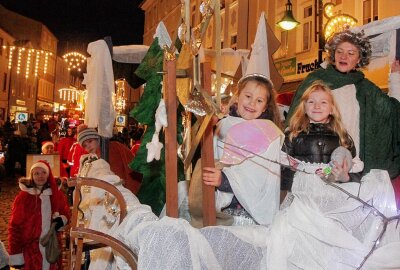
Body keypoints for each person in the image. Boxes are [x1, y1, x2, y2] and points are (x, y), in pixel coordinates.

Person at [286, 30, 400, 181]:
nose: (343, 56)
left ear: (359, 59)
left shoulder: (365, 88)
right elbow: (296, 116)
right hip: (312, 157)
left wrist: (395, 77)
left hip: (349, 163)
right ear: (333, 55)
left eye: (351, 53)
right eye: (339, 51)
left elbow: (391, 111)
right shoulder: (315, 81)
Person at [201, 74, 283, 226]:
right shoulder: (223, 126)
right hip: (223, 210)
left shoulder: (268, 133)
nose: (252, 103)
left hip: (249, 214)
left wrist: (224, 180)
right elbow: (214, 158)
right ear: (237, 97)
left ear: (265, 107)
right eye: (248, 96)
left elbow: (260, 177)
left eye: (259, 100)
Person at [281, 81, 363, 197]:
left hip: (333, 198)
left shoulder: (343, 137)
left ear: (331, 109)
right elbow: (281, 170)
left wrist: (346, 178)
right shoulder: (292, 135)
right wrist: (302, 179)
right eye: (311, 101)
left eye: (323, 102)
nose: (317, 106)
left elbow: (357, 170)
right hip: (302, 200)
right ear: (304, 107)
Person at [8, 161, 70, 269]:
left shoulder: (56, 194)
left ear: (48, 174)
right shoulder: (23, 197)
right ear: (31, 176)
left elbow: (66, 212)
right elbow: (15, 226)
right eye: (36, 173)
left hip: (51, 247)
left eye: (43, 172)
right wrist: (16, 254)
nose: (40, 176)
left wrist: (62, 219)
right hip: (30, 251)